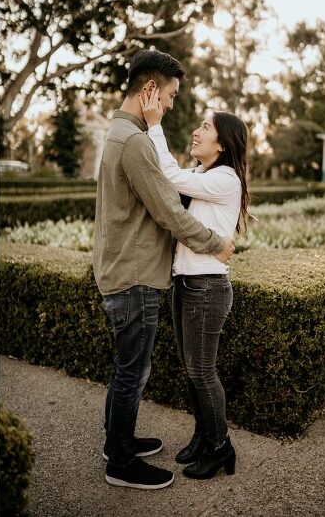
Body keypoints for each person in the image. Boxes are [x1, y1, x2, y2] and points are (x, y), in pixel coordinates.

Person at [92, 49, 235, 490]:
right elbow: (169, 209)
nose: (172, 105)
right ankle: (120, 461)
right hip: (134, 276)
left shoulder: (120, 133)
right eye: (171, 95)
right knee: (132, 372)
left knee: (127, 367)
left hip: (126, 270)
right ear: (151, 89)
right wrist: (216, 244)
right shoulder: (135, 141)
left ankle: (119, 442)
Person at [141, 89, 249, 480]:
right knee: (192, 371)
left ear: (222, 144)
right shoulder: (204, 175)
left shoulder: (225, 178)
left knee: (202, 371)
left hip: (207, 287)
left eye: (205, 127)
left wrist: (155, 125)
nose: (197, 131)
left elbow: (170, 175)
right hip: (187, 282)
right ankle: (204, 437)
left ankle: (221, 448)